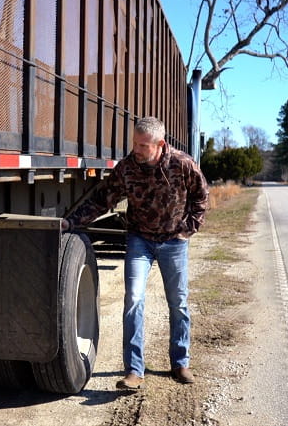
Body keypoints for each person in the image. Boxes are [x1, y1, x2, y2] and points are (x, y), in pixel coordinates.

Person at [62, 117, 209, 389]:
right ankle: (134, 370)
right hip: (140, 239)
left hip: (173, 242)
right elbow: (102, 199)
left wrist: (187, 229)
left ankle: (180, 362)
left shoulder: (182, 164)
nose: (136, 150)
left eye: (143, 145)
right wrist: (72, 222)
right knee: (133, 299)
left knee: (178, 302)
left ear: (160, 145)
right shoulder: (127, 168)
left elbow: (201, 196)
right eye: (134, 143)